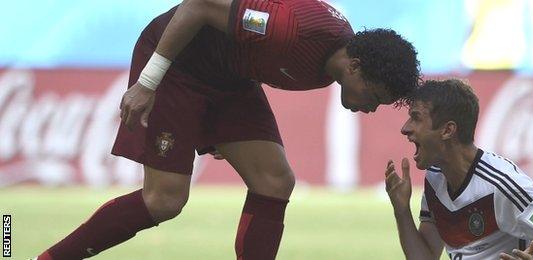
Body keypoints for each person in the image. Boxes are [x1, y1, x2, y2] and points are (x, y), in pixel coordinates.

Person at [37, 0, 420, 259]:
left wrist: (220, 129)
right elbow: (200, 5)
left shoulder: (330, 65)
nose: (371, 108)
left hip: (230, 78)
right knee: (165, 201)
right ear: (355, 68)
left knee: (274, 180)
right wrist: (149, 81)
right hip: (180, 68)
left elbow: (257, 60)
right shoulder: (287, 31)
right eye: (375, 96)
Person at [384, 79, 533, 260]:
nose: (405, 128)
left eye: (416, 118)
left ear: (447, 130)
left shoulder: (503, 184)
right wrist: (401, 209)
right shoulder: (436, 177)